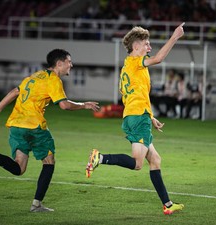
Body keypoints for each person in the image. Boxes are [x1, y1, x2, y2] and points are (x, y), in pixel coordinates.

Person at [0, 49, 100, 212]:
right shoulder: (54, 80)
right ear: (59, 63)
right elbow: (64, 105)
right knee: (49, 161)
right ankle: (36, 205)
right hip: (34, 126)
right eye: (69, 62)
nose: (71, 65)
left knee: (19, 168)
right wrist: (84, 105)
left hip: (16, 125)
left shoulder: (35, 76)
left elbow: (14, 92)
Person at [85, 23, 185, 215]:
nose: (149, 48)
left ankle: (168, 204)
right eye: (147, 44)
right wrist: (174, 37)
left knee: (155, 159)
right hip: (138, 117)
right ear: (136, 46)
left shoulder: (128, 68)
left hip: (136, 115)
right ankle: (100, 158)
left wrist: (151, 117)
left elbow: (135, 96)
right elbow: (159, 58)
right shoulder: (135, 62)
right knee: (137, 164)